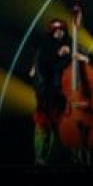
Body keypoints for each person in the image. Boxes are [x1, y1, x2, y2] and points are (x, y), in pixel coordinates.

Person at [29, 16, 72, 165]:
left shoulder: (68, 46)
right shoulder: (45, 49)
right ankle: (41, 158)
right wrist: (58, 55)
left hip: (61, 96)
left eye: (61, 29)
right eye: (56, 29)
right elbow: (41, 68)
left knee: (64, 131)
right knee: (44, 128)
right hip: (47, 96)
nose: (59, 32)